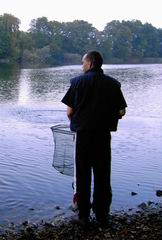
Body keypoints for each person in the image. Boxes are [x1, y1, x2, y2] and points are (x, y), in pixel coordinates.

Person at [61, 51, 127, 226]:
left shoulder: (76, 82)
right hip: (103, 136)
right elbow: (121, 111)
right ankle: (102, 215)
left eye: (83, 63)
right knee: (103, 175)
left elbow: (69, 112)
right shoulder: (113, 84)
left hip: (83, 136)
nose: (82, 66)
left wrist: (78, 122)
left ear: (90, 63)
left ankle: (83, 215)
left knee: (83, 175)